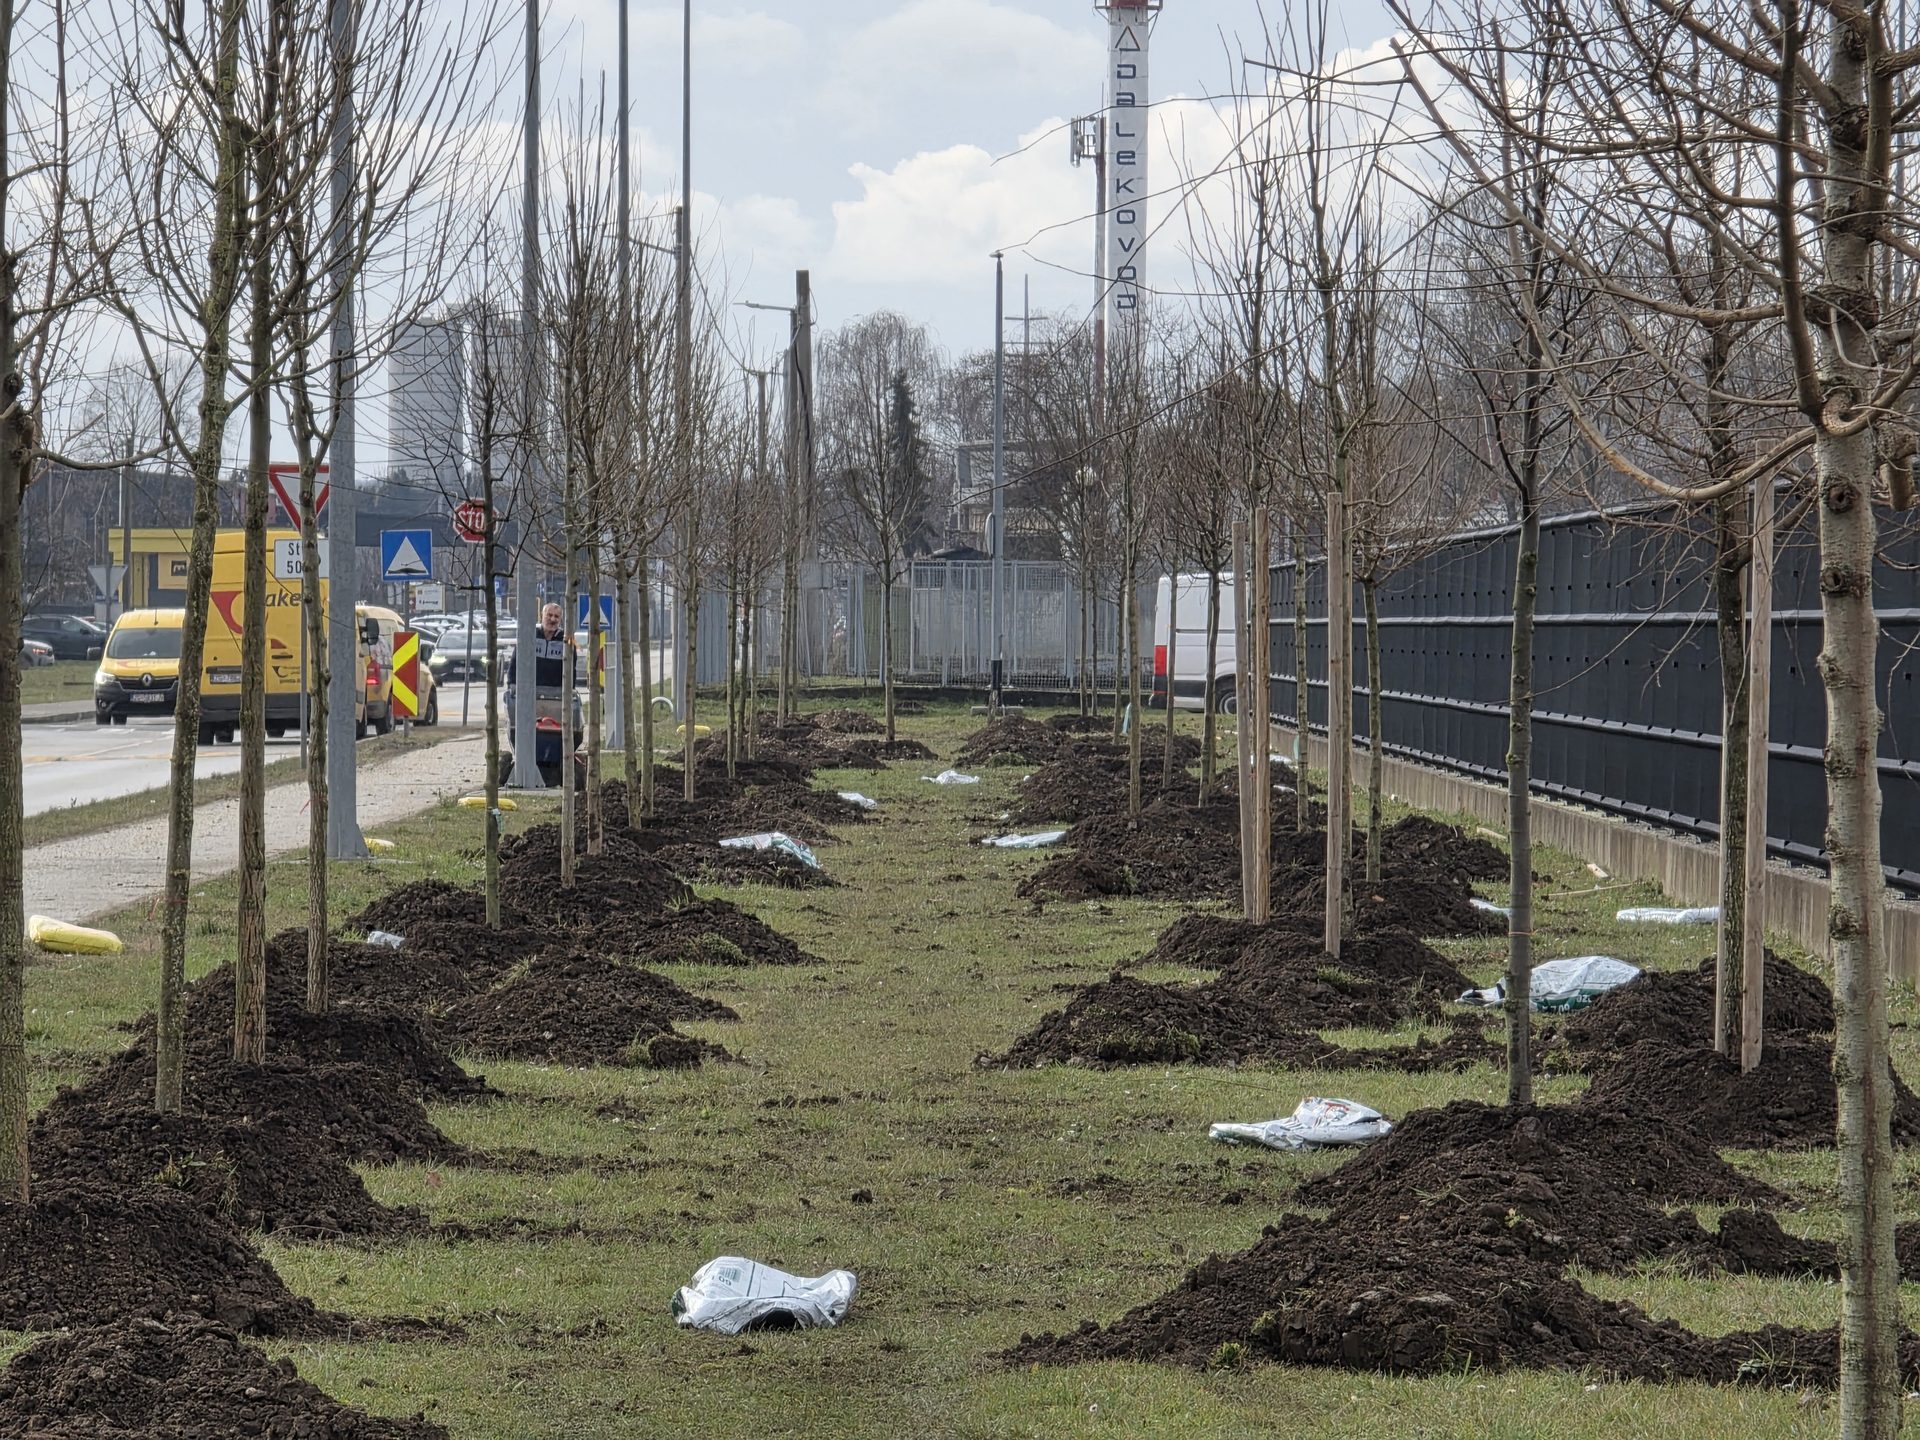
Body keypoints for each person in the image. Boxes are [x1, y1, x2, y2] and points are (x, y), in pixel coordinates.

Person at [505, 602, 576, 689]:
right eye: (549, 615)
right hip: (529, 690)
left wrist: (571, 689)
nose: (552, 619)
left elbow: (572, 667)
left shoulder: (568, 639)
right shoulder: (529, 636)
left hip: (556, 693)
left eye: (556, 616)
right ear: (542, 615)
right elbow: (515, 661)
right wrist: (511, 683)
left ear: (560, 620)